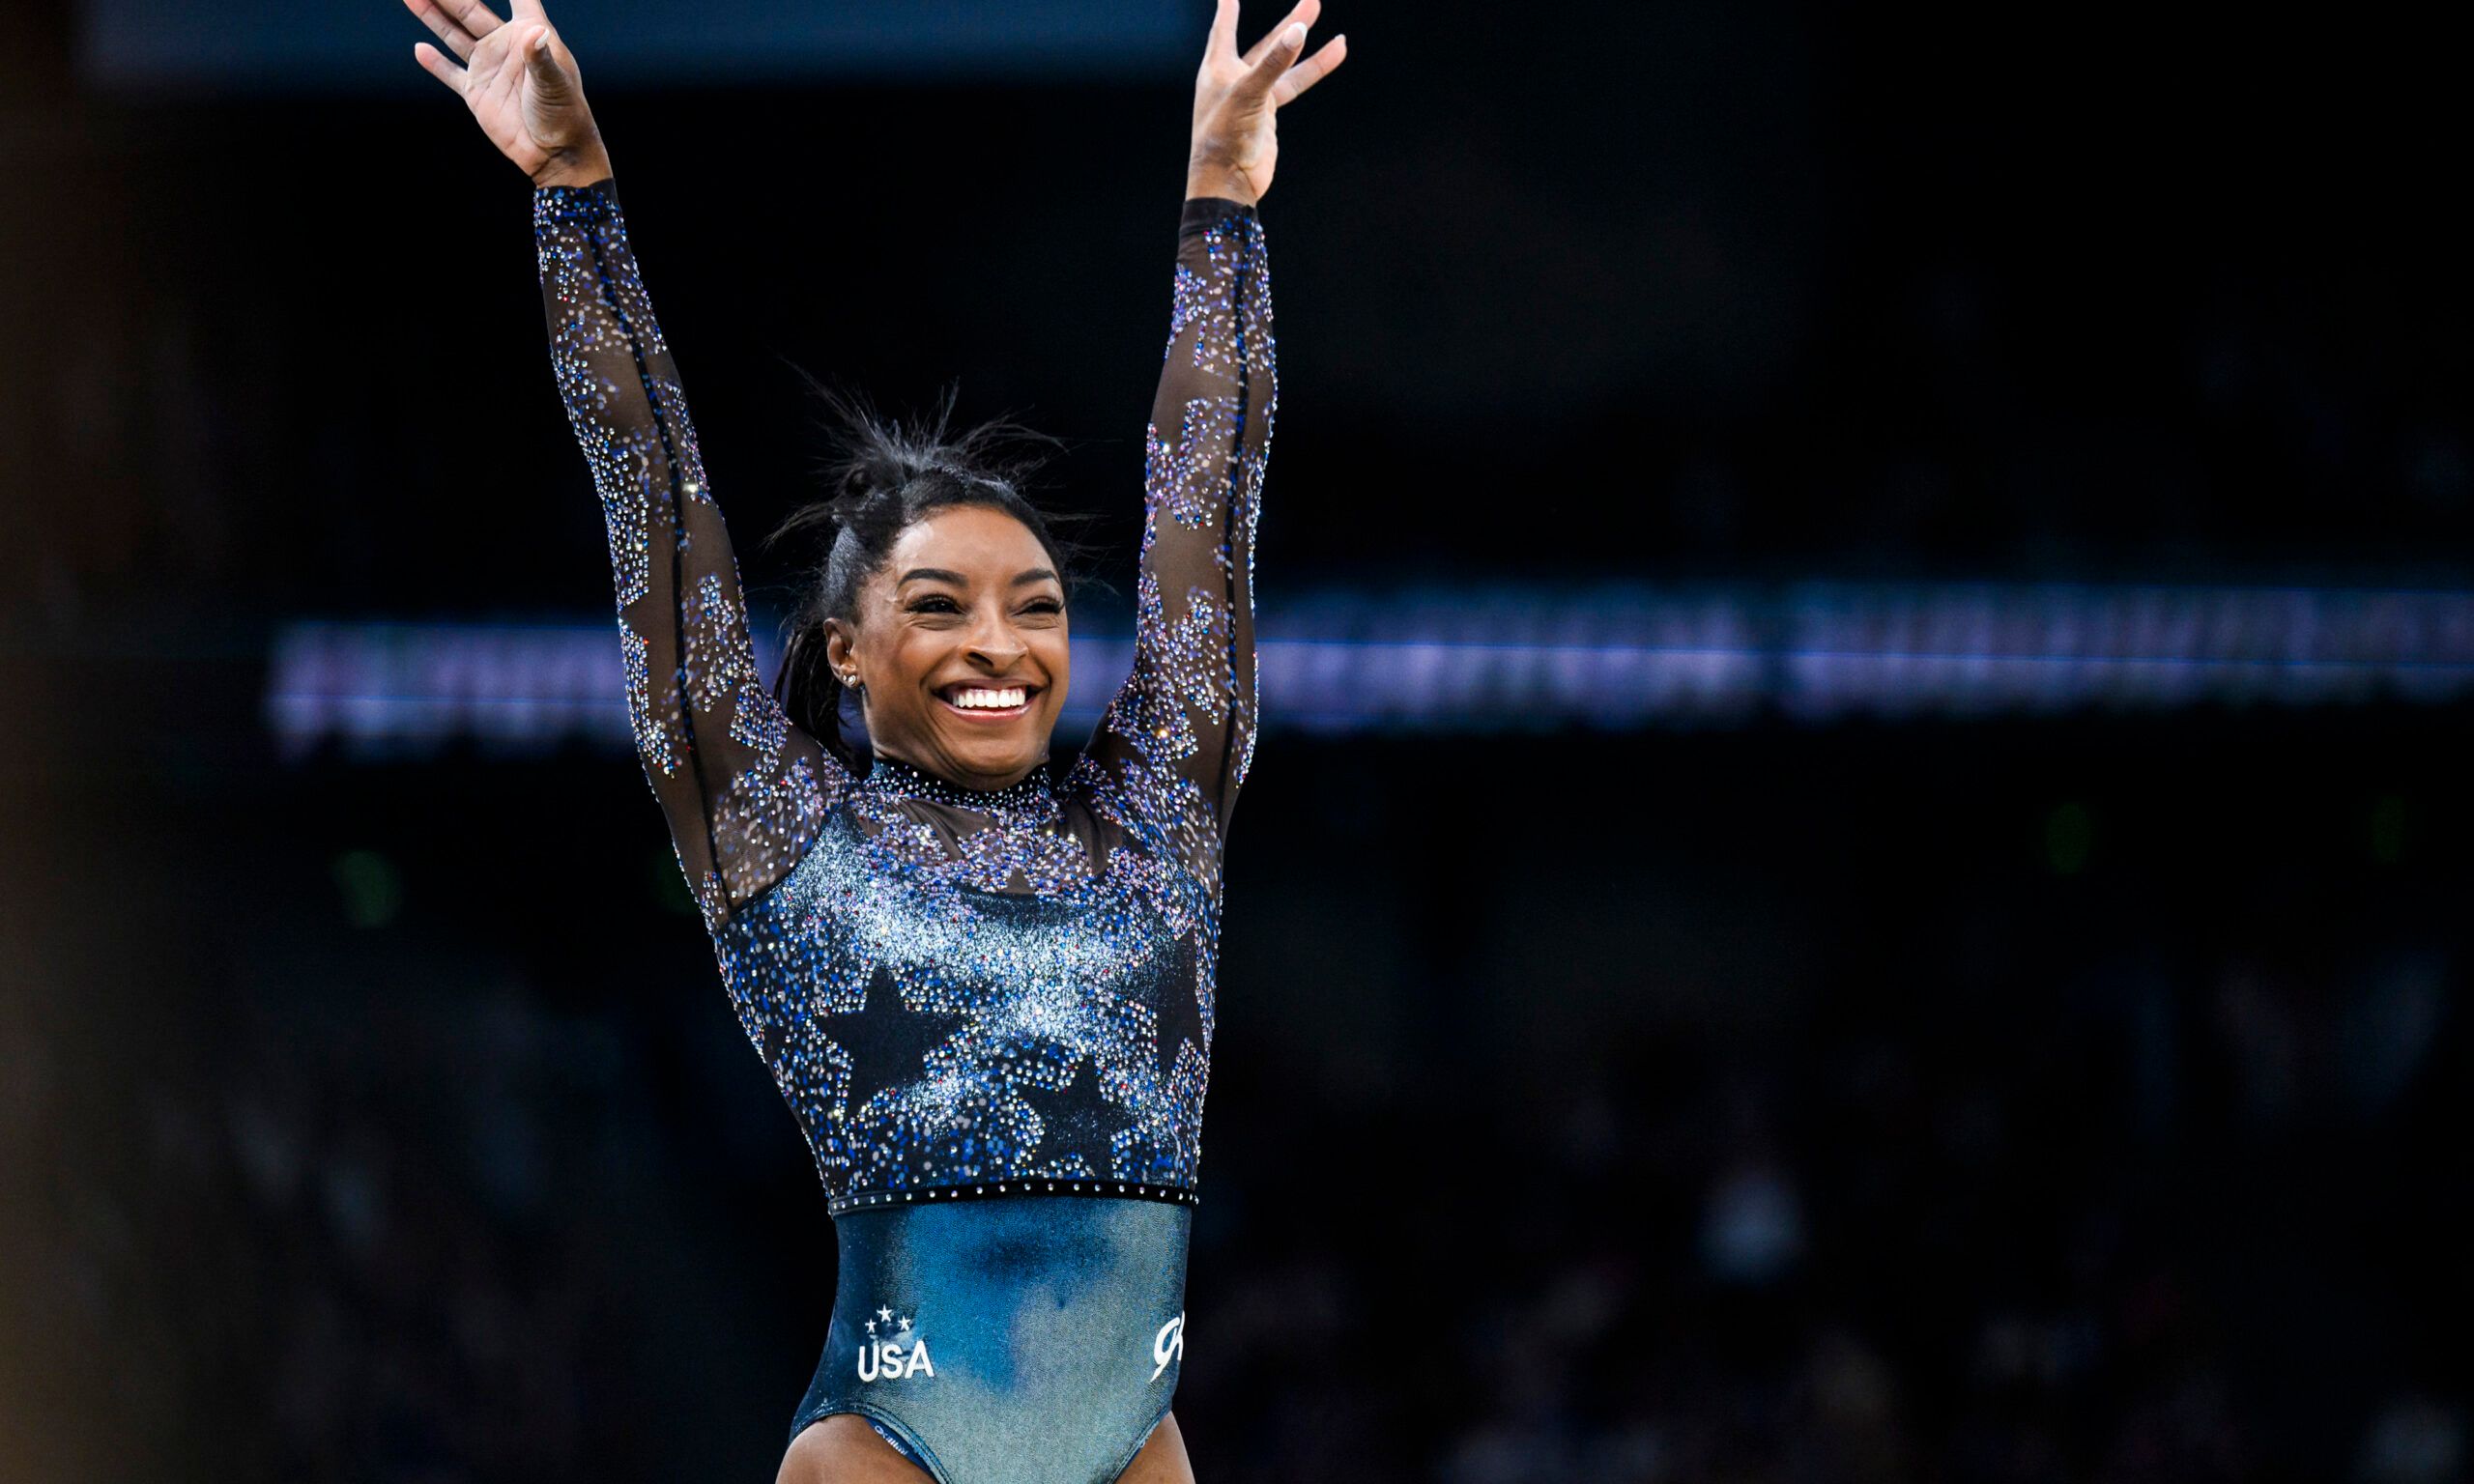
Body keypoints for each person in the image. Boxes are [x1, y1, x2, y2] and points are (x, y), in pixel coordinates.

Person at [404, 0, 1345, 1477]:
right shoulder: (783, 832)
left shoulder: (1158, 812)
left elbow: (1208, 514)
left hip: (1135, 1447)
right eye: (941, 606)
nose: (999, 644)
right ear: (846, 649)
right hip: (888, 1447)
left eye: (1036, 608)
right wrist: (573, 189)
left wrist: (1221, 207)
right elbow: (656, 505)